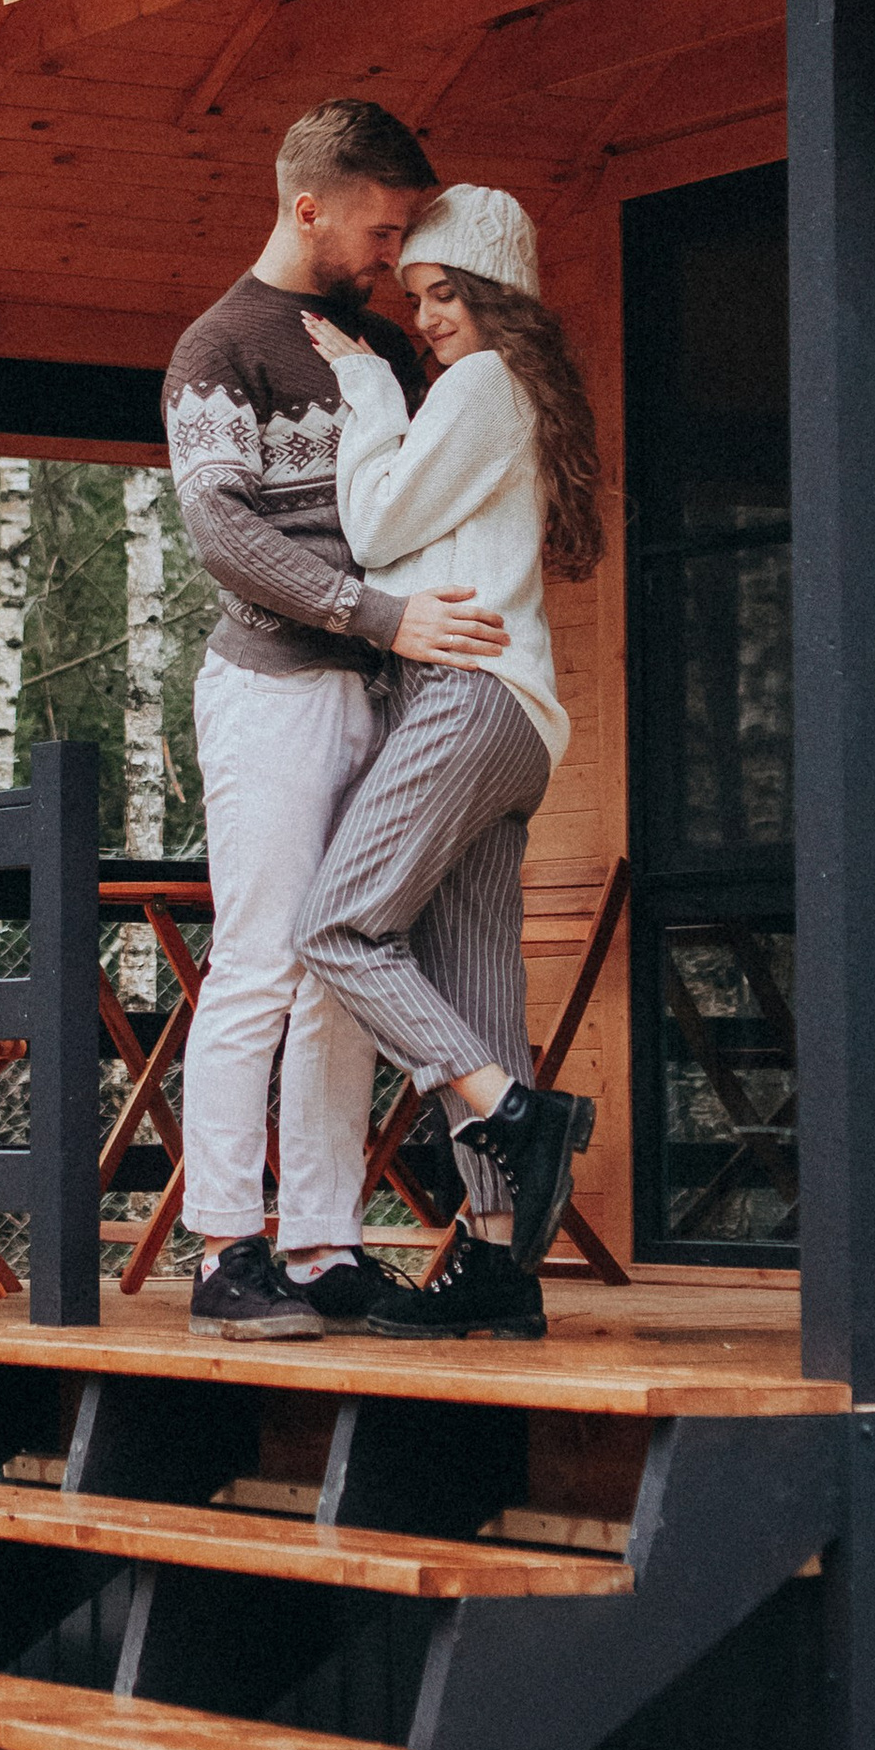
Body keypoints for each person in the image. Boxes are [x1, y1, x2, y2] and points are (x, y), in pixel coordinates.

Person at [164, 101, 509, 1338]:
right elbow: (224, 532)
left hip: (389, 696)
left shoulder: (379, 348)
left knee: (341, 974)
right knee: (258, 964)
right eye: (383, 224)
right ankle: (222, 1252)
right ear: (309, 205)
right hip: (273, 689)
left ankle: (320, 1246)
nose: (394, 249)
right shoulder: (219, 346)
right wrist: (379, 616)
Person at [296, 182, 605, 1342]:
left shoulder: (478, 386)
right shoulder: (504, 393)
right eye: (413, 296)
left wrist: (367, 384)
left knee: (336, 927)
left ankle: (511, 1113)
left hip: (467, 702)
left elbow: (373, 532)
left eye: (441, 294)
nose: (422, 317)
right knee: (474, 977)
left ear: (492, 294)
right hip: (513, 721)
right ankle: (494, 1265)